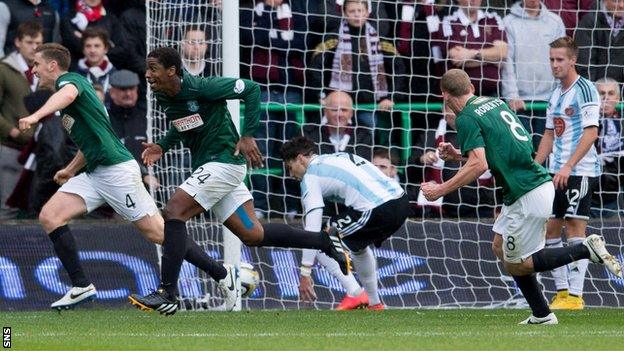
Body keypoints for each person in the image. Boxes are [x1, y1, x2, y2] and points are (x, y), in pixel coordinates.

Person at [128, 47, 350, 316]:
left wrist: (247, 134)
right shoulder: (163, 94)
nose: (148, 74)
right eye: (148, 69)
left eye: (153, 68)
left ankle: (167, 292)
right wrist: (163, 145)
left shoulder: (203, 87)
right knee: (253, 235)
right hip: (213, 169)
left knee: (174, 211)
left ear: (172, 71)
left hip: (224, 162)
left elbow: (252, 89)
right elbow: (182, 122)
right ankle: (324, 241)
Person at [18, 43, 236, 312]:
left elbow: (68, 94)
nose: (34, 69)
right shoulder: (67, 100)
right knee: (50, 216)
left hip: (116, 171)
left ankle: (222, 275)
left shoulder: (70, 81)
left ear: (52, 65)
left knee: (157, 233)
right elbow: (92, 143)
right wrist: (71, 169)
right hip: (96, 172)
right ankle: (81, 286)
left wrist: (37, 115)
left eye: (37, 64)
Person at [420, 68, 621, 324]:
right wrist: (459, 154)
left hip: (526, 194)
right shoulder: (494, 103)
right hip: (530, 187)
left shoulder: (466, 118)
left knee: (520, 264)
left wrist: (440, 190)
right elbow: (505, 148)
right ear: (471, 87)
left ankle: (584, 249)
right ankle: (541, 314)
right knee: (499, 246)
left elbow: (479, 165)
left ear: (445, 95)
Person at [280, 135, 410, 310]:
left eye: (290, 168)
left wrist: (305, 272)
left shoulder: (310, 176)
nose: (291, 175)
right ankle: (374, 304)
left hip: (378, 208)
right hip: (401, 200)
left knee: (318, 239)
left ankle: (355, 293)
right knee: (358, 246)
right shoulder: (337, 156)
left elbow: (311, 228)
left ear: (300, 159)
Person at [534, 37, 602, 310]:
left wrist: (568, 166)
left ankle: (576, 295)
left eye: (560, 59)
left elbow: (591, 132)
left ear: (573, 60)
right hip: (555, 171)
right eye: (551, 59)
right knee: (550, 228)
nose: (555, 64)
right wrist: (537, 167)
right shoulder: (555, 94)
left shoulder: (585, 90)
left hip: (579, 170)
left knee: (575, 228)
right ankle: (561, 292)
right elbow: (550, 133)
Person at [502, 0, 565, 149]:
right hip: (520, 102)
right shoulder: (508, 22)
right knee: (523, 151)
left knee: (546, 153)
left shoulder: (555, 22)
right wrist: (512, 94)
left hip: (549, 102)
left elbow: (562, 60)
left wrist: (559, 95)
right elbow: (507, 62)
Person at [0, 21, 42, 219]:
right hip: (11, 148)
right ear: (17, 42)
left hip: (39, 152)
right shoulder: (4, 70)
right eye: (30, 42)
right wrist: (12, 131)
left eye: (38, 43)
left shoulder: (44, 72)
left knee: (37, 209)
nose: (35, 47)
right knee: (7, 209)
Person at [430, 0, 508, 97]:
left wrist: (471, 54)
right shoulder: (448, 22)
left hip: (493, 93)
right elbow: (457, 58)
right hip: (461, 96)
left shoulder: (493, 19)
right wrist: (494, 60)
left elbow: (503, 52)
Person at [108, 69, 158, 190]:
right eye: (123, 89)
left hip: (149, 187)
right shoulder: (105, 120)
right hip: (114, 186)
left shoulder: (149, 119)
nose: (128, 93)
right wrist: (143, 174)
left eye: (132, 89)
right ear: (112, 92)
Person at [303, 91, 373, 160]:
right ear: (325, 111)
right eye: (334, 110)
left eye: (344, 110)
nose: (339, 114)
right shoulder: (307, 133)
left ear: (351, 113)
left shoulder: (364, 135)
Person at [592, 78, 624, 217]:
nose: (605, 98)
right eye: (601, 93)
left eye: (610, 93)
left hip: (618, 192)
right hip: (591, 190)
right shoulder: (584, 122)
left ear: (618, 98)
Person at [575, 0, 624, 83]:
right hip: (596, 89)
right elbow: (585, 64)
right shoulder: (589, 22)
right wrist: (592, 91)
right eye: (616, 1)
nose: (622, 5)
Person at [75, 27, 116, 96]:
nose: (92, 50)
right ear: (83, 49)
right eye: (88, 46)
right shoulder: (75, 76)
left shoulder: (115, 75)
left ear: (106, 49)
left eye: (97, 46)